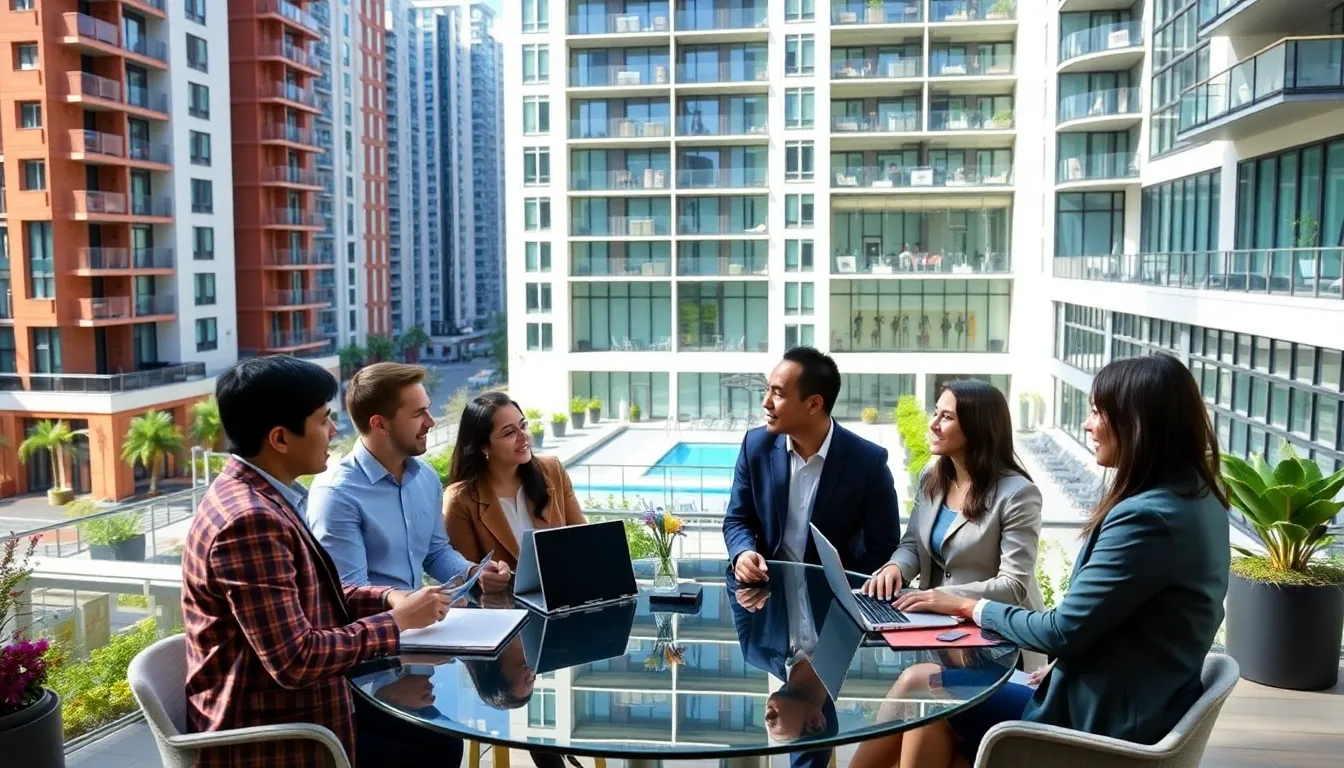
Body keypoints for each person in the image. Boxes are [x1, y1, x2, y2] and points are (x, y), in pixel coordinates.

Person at [881, 354, 1230, 767]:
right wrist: (1067, 665)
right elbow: (1125, 618)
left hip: (1100, 724)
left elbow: (1062, 630)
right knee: (937, 726)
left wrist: (969, 605)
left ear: (1139, 422)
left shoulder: (1146, 518)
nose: (1087, 425)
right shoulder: (1197, 499)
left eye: (1098, 412)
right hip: (1135, 700)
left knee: (923, 691)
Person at [181, 355, 461, 768]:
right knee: (432, 747)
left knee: (436, 739)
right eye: (323, 420)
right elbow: (297, 660)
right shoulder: (250, 521)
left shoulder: (265, 498)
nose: (335, 431)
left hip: (307, 707)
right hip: (277, 737)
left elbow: (322, 600)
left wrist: (388, 600)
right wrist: (397, 622)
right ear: (280, 438)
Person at [308, 363, 511, 594]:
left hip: (421, 624)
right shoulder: (336, 494)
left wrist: (474, 572)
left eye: (428, 409)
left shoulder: (425, 477)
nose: (431, 422)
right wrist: (424, 604)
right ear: (380, 425)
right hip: (379, 628)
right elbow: (351, 594)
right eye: (418, 414)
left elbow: (435, 553)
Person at [723, 346, 901, 584]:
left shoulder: (868, 462)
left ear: (814, 404)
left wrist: (847, 590)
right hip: (767, 596)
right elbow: (738, 519)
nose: (766, 402)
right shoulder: (755, 447)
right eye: (767, 390)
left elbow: (883, 550)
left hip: (836, 603)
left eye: (778, 394)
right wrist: (743, 552)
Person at [444, 391, 587, 569]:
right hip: (501, 596)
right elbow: (463, 577)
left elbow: (583, 541)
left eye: (523, 425)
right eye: (509, 433)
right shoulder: (460, 499)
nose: (523, 436)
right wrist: (484, 578)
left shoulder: (552, 470)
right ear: (483, 446)